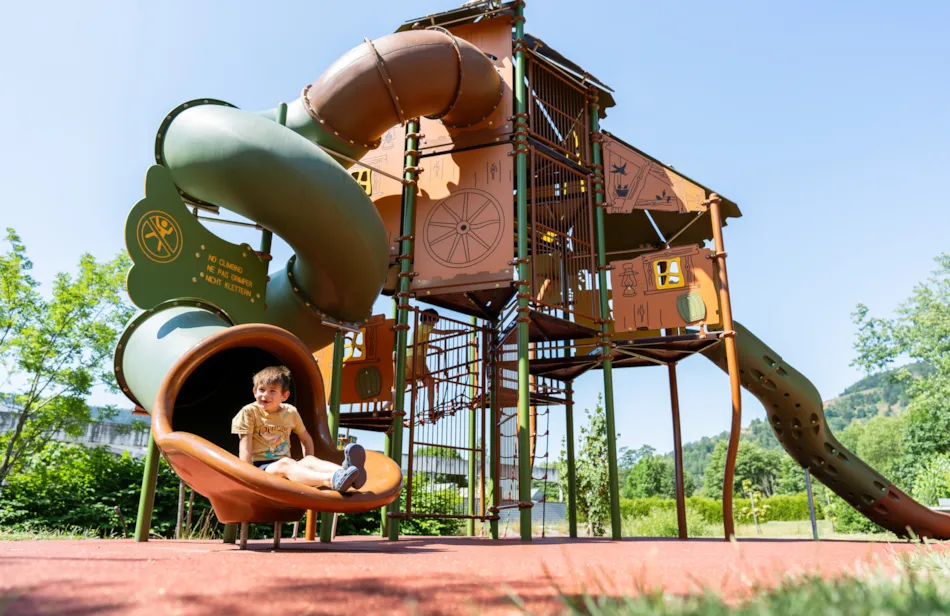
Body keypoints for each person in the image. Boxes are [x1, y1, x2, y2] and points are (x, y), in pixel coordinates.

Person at [231, 366, 366, 492]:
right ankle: (331, 480)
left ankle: (348, 473)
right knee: (286, 463)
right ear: (254, 391)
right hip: (260, 468)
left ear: (284, 396)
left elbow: (306, 439)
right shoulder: (249, 412)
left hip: (286, 463)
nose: (265, 395)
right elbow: (245, 449)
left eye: (272, 391)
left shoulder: (290, 412)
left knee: (309, 460)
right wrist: (249, 479)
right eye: (261, 389)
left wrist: (309, 461)